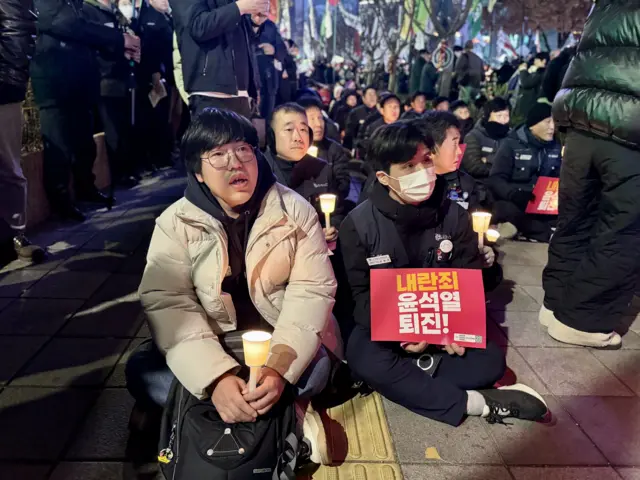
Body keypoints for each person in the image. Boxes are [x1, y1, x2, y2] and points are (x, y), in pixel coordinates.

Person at [126, 109, 341, 465]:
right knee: (142, 372)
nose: (234, 163)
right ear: (198, 171)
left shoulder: (295, 210)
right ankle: (287, 414)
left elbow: (312, 291)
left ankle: (199, 408)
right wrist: (217, 378)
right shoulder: (174, 222)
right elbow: (169, 302)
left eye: (243, 150)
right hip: (214, 340)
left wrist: (277, 371)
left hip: (277, 336)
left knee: (316, 368)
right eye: (218, 155)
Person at [336, 122, 549, 427]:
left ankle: (404, 376)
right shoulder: (359, 224)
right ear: (384, 178)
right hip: (389, 329)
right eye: (408, 166)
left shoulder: (454, 215)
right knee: (363, 355)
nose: (421, 172)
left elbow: (469, 281)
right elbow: (358, 297)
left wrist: (448, 329)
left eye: (424, 160)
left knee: (490, 362)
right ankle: (477, 403)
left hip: (442, 327)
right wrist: (402, 334)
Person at [541, 0, 640, 349]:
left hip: (582, 114)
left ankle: (555, 303)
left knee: (576, 218)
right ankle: (583, 320)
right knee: (624, 229)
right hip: (633, 127)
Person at [31, 0, 140, 221]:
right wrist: (118, 40)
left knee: (84, 140)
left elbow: (86, 31)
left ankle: (85, 188)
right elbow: (68, 24)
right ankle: (61, 201)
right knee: (58, 144)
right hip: (54, 80)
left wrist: (120, 47)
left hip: (80, 79)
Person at [0, 0, 46, 264]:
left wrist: (8, 81)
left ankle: (15, 235)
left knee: (7, 166)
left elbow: (18, 27)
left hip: (2, 84)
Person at [264, 103, 345, 243]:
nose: (298, 137)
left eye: (303, 129)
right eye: (289, 129)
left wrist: (332, 228)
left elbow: (337, 212)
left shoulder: (322, 169)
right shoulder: (259, 171)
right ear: (271, 136)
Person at [171, 0, 265, 118]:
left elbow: (240, 36)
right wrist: (238, 8)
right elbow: (198, 26)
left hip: (241, 92)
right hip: (209, 91)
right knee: (215, 136)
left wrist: (255, 23)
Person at [84, 0, 141, 188]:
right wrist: (120, 50)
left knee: (125, 127)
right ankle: (119, 175)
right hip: (104, 80)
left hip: (122, 77)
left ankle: (129, 169)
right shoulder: (89, 10)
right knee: (113, 130)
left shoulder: (114, 12)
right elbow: (95, 43)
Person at [487, 102, 561, 242]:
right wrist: (513, 194)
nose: (552, 127)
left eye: (554, 122)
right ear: (533, 125)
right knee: (511, 212)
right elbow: (496, 179)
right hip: (514, 200)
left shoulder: (555, 147)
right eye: (547, 122)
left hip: (542, 203)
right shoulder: (511, 144)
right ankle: (545, 234)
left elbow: (558, 176)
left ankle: (519, 230)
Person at [415, 112, 490, 214]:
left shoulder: (466, 183)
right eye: (454, 144)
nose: (459, 151)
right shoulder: (414, 186)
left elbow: (474, 217)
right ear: (430, 148)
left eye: (459, 143)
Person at [297, 96, 351, 200]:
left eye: (320, 118)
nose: (318, 124)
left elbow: (344, 185)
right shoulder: (292, 150)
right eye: (312, 119)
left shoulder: (333, 149)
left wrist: (325, 192)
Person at [462, 97, 511, 180]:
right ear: (488, 117)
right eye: (499, 116)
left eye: (506, 116)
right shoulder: (474, 136)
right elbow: (473, 167)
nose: (503, 120)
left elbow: (520, 164)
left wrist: (488, 159)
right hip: (481, 186)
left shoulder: (512, 136)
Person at [251, 13, 286, 122]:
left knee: (268, 115)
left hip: (269, 78)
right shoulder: (240, 20)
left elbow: (282, 49)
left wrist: (274, 50)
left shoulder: (269, 25)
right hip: (249, 77)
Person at [513, 52, 549, 120]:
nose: (534, 62)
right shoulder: (540, 72)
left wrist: (523, 70)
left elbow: (526, 83)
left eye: (536, 60)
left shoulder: (541, 72)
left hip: (531, 106)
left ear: (543, 61)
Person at [344, 85, 378, 151]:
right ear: (363, 98)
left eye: (374, 94)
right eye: (370, 95)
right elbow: (349, 133)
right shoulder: (356, 112)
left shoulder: (380, 112)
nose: (372, 97)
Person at [277, 39, 299, 105]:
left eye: (286, 45)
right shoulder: (277, 56)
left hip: (287, 87)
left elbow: (293, 70)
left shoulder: (289, 57)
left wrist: (286, 72)